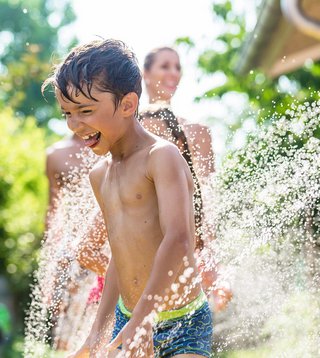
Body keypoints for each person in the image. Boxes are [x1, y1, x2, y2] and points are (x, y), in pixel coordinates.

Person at [42, 38, 214, 357]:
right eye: (67, 112)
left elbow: (179, 239)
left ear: (127, 105)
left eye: (85, 111)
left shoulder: (161, 156)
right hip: (129, 317)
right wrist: (97, 332)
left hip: (182, 321)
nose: (75, 124)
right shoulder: (100, 175)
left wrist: (144, 317)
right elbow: (118, 263)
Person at [140, 46, 232, 311]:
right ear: (145, 73)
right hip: (137, 240)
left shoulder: (197, 132)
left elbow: (206, 201)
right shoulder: (128, 128)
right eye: (165, 66)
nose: (173, 73)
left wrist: (213, 262)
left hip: (182, 242)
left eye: (177, 67)